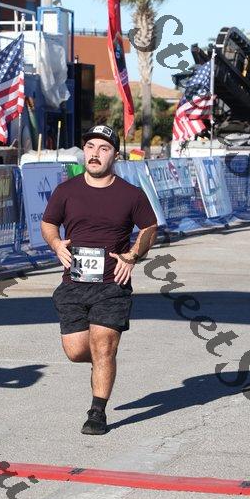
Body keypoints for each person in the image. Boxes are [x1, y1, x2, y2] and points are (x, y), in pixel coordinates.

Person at [41, 124, 158, 435]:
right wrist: (56, 244)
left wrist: (132, 256)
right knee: (77, 351)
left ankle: (97, 412)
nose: (95, 154)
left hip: (111, 285)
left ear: (114, 156)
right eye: (90, 147)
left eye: (103, 148)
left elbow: (149, 228)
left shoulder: (130, 195)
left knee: (103, 346)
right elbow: (48, 223)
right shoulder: (66, 191)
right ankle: (102, 363)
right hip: (73, 283)